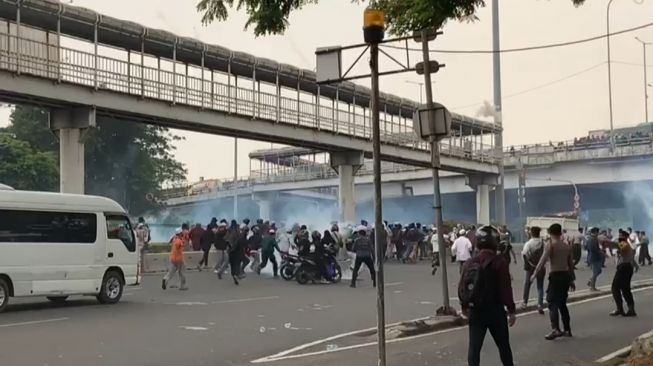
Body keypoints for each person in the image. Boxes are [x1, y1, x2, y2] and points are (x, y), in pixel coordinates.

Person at [462, 225, 516, 366]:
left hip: (476, 311)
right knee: (504, 346)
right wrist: (511, 310)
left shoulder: (469, 263)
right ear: (495, 242)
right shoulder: (500, 262)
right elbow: (505, 289)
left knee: (474, 349)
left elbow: (463, 287)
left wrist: (464, 306)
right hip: (495, 311)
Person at [532, 223, 576, 340]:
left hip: (555, 276)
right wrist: (572, 280)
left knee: (552, 303)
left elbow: (542, 261)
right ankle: (567, 329)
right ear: (560, 232)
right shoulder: (567, 246)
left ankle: (555, 329)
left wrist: (534, 275)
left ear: (550, 233)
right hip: (565, 276)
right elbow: (570, 265)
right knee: (562, 304)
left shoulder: (550, 245)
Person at [610, 230, 637, 317]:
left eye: (621, 236)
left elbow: (619, 246)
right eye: (619, 235)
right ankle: (630, 309)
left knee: (615, 287)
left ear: (625, 237)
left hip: (624, 267)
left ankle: (620, 309)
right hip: (627, 267)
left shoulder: (624, 243)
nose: (619, 237)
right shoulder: (626, 245)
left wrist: (608, 243)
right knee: (625, 289)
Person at [521, 226, 545, 313]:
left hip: (531, 266)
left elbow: (524, 254)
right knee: (540, 286)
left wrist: (527, 262)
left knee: (527, 284)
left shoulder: (529, 243)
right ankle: (540, 304)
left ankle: (524, 302)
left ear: (531, 233)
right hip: (541, 266)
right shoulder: (543, 242)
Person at [586, 227, 604, 291]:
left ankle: (591, 281)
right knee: (596, 272)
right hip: (595, 257)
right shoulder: (593, 239)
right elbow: (595, 249)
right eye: (598, 232)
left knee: (598, 271)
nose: (598, 233)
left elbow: (587, 247)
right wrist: (601, 252)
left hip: (592, 257)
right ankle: (592, 286)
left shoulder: (590, 239)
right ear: (595, 232)